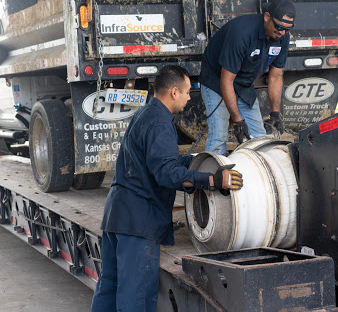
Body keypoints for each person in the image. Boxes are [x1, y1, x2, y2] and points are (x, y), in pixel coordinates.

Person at [90, 65, 243, 312]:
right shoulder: (160, 124)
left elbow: (159, 162)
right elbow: (167, 174)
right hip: (138, 222)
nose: (189, 97)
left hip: (118, 215)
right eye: (187, 92)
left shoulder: (145, 114)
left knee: (110, 285)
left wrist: (197, 161)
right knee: (136, 296)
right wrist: (213, 181)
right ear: (173, 92)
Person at [199, 0, 296, 155]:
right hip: (216, 80)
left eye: (287, 28)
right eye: (279, 26)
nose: (282, 32)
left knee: (259, 138)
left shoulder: (282, 37)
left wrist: (275, 112)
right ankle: (213, 176)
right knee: (219, 136)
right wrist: (238, 121)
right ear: (267, 17)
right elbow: (226, 80)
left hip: (244, 84)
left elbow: (275, 76)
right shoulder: (242, 33)